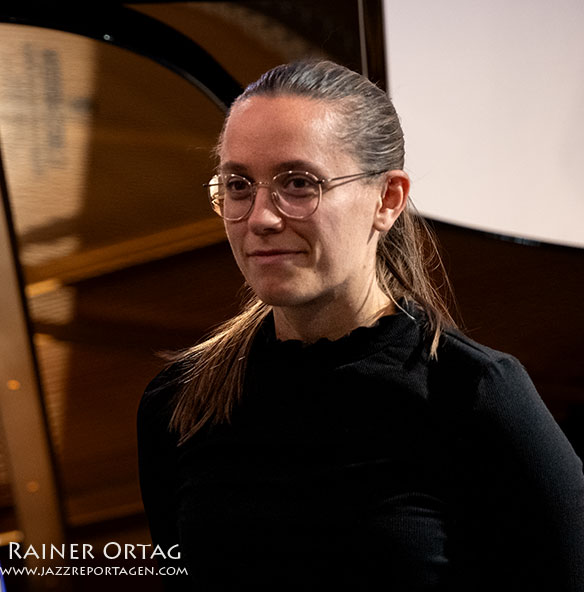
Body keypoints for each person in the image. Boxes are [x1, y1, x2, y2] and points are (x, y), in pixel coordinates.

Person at [137, 59, 584, 590]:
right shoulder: (179, 401)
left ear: (387, 199)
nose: (259, 217)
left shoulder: (475, 394)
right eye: (238, 185)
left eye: (298, 183)